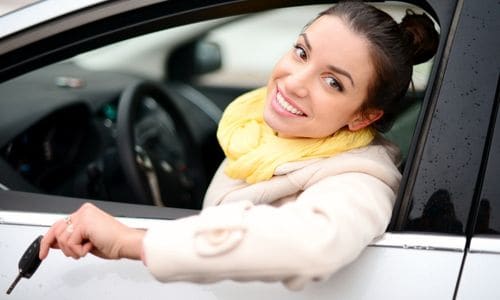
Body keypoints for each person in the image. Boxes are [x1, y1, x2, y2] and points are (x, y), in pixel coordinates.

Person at [39, 1, 439, 291]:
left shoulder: (360, 180)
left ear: (363, 117)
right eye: (302, 52)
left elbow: (310, 243)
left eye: (333, 82)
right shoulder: (257, 132)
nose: (295, 81)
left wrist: (132, 242)